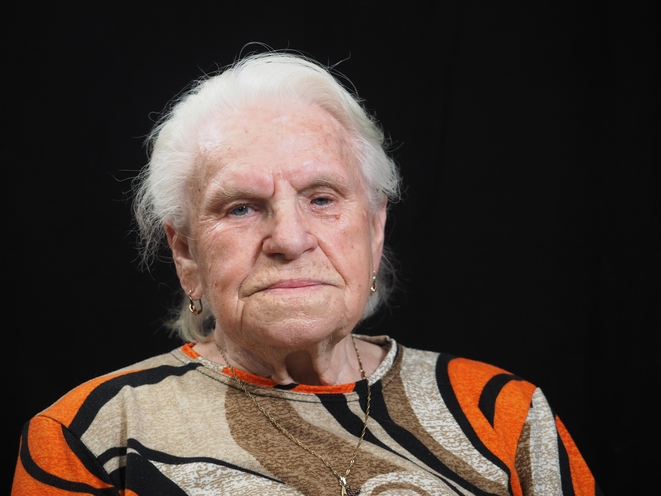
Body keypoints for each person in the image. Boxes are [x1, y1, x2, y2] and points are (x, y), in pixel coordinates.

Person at [12, 53, 600, 495]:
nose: (290, 240)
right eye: (241, 208)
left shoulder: (502, 416)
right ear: (186, 253)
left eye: (322, 199)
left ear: (374, 230)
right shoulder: (88, 436)